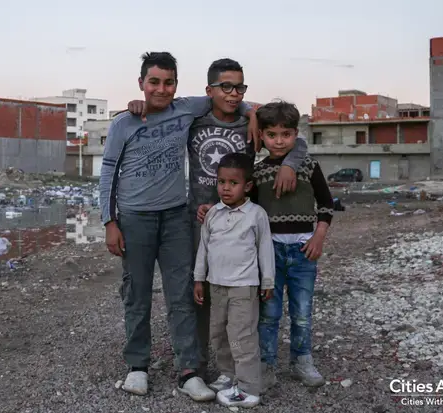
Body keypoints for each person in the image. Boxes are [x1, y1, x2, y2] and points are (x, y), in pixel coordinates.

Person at [129, 58, 308, 378]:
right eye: (226, 86)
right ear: (210, 89)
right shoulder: (193, 119)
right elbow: (158, 114)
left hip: (240, 223)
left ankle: (240, 363)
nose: (233, 93)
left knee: (240, 292)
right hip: (198, 219)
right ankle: (196, 363)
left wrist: (289, 163)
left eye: (239, 87)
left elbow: (297, 139)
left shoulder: (250, 121)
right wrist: (137, 105)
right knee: (197, 290)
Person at [99, 52, 257, 401]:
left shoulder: (185, 109)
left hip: (174, 217)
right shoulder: (123, 124)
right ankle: (137, 367)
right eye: (154, 82)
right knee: (137, 294)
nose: (161, 89)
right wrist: (109, 221)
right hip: (135, 218)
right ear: (141, 83)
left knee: (182, 295)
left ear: (176, 84)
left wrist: (253, 113)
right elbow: (108, 172)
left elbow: (230, 97)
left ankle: (190, 371)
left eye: (168, 82)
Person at [250, 101, 334, 389]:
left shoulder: (309, 167)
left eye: (285, 134)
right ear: (262, 136)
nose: (279, 141)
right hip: (269, 253)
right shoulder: (258, 173)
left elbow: (326, 205)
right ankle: (267, 365)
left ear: (295, 134)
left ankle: (302, 361)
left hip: (303, 251)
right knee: (269, 314)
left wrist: (319, 236)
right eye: (271, 135)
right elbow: (249, 212)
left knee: (301, 312)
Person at [192, 152, 275, 408]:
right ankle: (228, 376)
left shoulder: (256, 215)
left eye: (233, 183)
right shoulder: (212, 215)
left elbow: (265, 249)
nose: (226, 188)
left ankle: (249, 388)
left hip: (243, 288)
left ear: (247, 186)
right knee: (219, 334)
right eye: (221, 182)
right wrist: (198, 279)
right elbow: (203, 249)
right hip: (216, 286)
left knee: (242, 337)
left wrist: (267, 281)